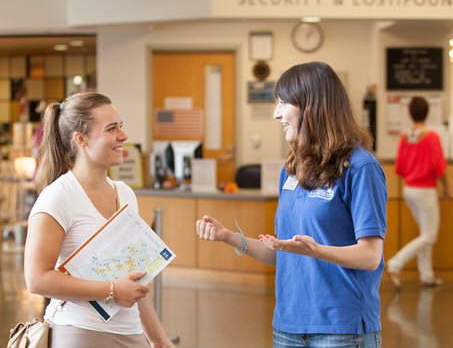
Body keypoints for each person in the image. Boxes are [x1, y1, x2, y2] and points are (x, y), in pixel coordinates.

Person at [196, 62, 387, 348]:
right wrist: (230, 237)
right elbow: (286, 254)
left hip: (341, 328)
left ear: (313, 106)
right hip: (288, 326)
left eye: (283, 102)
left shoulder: (360, 167)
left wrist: (316, 250)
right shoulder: (292, 170)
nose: (276, 113)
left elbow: (370, 256)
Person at [24, 92, 175, 348]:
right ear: (81, 139)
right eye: (111, 129)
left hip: (132, 333)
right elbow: (37, 279)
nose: (123, 136)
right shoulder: (57, 197)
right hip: (79, 333)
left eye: (121, 126)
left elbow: (137, 279)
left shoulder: (125, 194)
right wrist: (112, 290)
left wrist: (159, 340)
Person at [386, 96, 449, 288]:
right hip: (425, 191)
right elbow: (439, 167)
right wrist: (446, 186)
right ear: (427, 113)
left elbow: (400, 168)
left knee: (425, 233)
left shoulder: (405, 138)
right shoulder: (431, 137)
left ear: (409, 114)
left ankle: (427, 276)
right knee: (430, 235)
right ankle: (395, 263)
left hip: (409, 190)